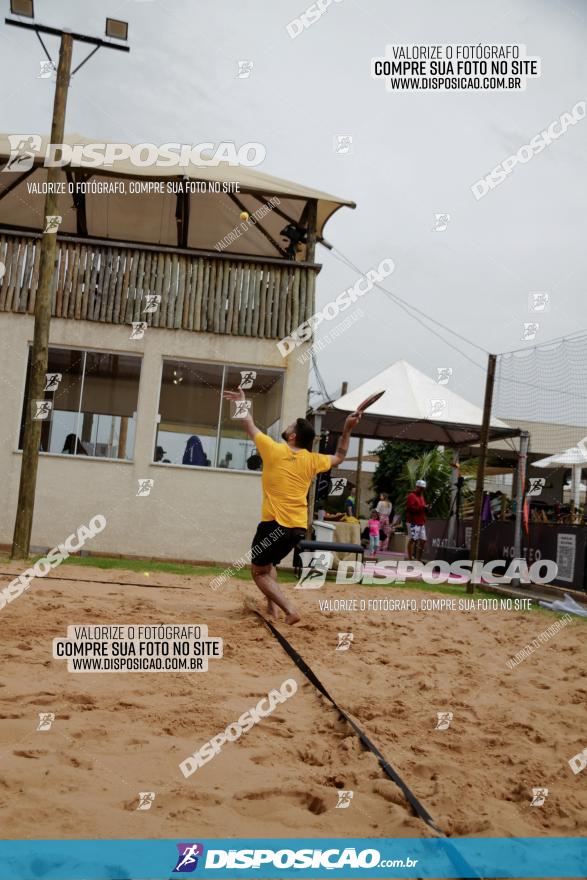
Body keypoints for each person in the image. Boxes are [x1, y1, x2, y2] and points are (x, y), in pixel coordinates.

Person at [223, 385, 362, 624]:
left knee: (257, 571)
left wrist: (243, 401)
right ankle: (273, 611)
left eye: (290, 427)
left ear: (293, 436)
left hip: (274, 525)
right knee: (269, 566)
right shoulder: (312, 460)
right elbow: (340, 455)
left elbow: (248, 423)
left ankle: (290, 609)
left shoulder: (274, 450)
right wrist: (348, 429)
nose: (287, 428)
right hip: (297, 528)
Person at [406, 479, 427, 561]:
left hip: (421, 521)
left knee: (423, 540)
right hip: (413, 521)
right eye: (420, 488)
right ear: (417, 487)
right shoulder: (411, 495)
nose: (422, 490)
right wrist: (422, 507)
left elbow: (422, 507)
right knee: (412, 539)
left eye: (423, 488)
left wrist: (426, 508)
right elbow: (410, 508)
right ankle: (410, 559)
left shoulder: (421, 496)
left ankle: (418, 559)